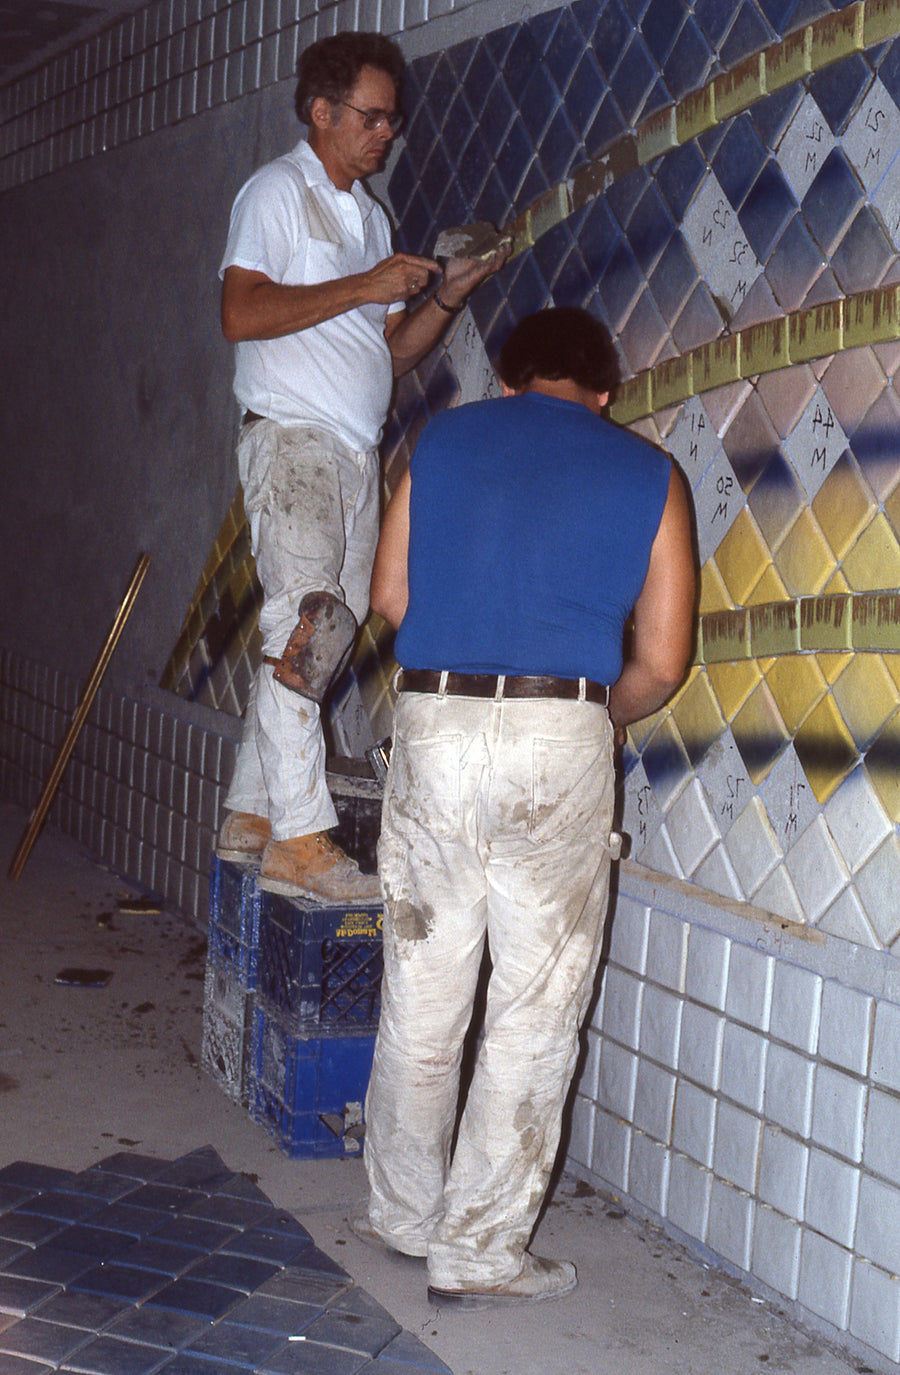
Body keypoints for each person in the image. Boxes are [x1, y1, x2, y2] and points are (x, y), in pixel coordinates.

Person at [355, 307, 696, 1305]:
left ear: (509, 382)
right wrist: (598, 719)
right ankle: (480, 1248)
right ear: (603, 392)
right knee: (533, 1015)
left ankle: (404, 1216)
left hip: (434, 728)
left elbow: (387, 597)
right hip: (560, 740)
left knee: (420, 994)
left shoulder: (445, 439)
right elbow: (664, 659)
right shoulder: (649, 473)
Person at [216, 31, 507, 901]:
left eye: (393, 120)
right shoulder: (276, 191)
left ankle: (252, 810)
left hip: (350, 445)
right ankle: (303, 839)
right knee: (302, 630)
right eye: (373, 118)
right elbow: (239, 311)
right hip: (293, 440)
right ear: (323, 112)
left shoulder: (369, 217)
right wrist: (361, 286)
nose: (389, 134)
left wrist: (450, 292)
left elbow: (392, 354)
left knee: (325, 639)